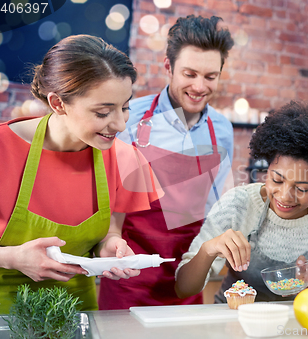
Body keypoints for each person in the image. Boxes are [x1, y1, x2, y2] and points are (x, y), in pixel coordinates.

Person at [0, 35, 162, 314]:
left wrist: (110, 248)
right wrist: (13, 257)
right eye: (103, 112)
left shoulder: (125, 159)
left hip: (74, 312)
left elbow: (109, 233)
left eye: (125, 107)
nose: (119, 123)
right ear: (58, 103)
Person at [98, 15, 234, 309]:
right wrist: (109, 241)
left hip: (186, 274)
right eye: (190, 73)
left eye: (210, 76)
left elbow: (220, 205)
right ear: (169, 67)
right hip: (129, 273)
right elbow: (109, 196)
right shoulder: (130, 117)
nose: (199, 86)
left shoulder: (222, 130)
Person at [174, 101, 308, 302]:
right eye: (277, 180)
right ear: (267, 168)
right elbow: (183, 289)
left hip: (297, 326)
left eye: (302, 188)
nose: (285, 195)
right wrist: (208, 249)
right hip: (232, 324)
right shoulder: (239, 204)